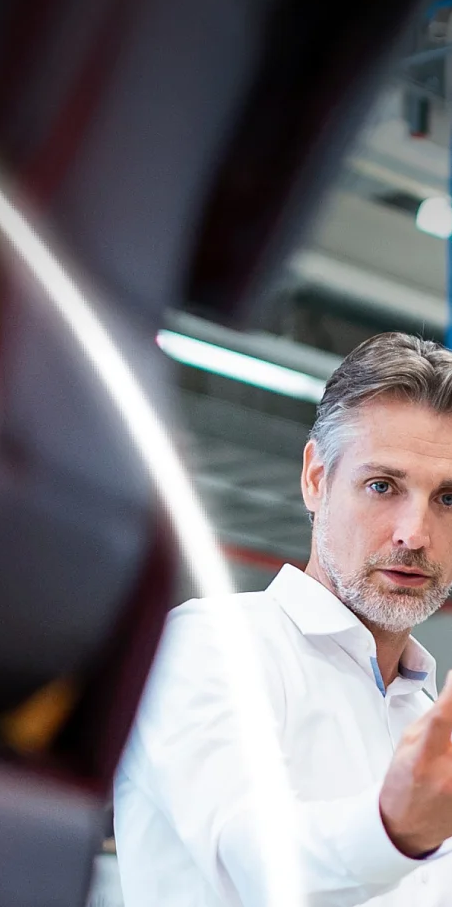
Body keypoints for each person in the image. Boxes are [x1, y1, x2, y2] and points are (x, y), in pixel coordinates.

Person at [114, 332, 452, 906]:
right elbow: (252, 859)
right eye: (382, 485)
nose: (413, 534)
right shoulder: (211, 646)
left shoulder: (423, 717)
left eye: (448, 499)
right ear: (316, 480)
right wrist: (398, 827)